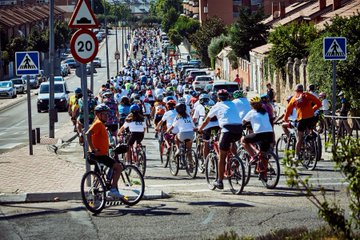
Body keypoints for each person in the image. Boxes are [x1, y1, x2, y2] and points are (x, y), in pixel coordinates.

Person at [199, 89, 243, 190]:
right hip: (238, 130)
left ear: (218, 98)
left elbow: (206, 120)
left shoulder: (217, 105)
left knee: (221, 157)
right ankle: (235, 161)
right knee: (232, 143)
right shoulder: (233, 104)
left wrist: (200, 129)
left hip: (226, 129)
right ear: (228, 97)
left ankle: (219, 181)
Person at [86, 104, 124, 199]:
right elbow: (88, 134)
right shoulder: (98, 123)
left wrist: (109, 145)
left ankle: (96, 191)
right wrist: (93, 148)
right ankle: (113, 190)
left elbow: (99, 139)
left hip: (98, 154)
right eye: (104, 114)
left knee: (99, 173)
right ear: (98, 114)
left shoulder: (100, 124)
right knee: (118, 167)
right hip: (100, 155)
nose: (106, 116)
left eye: (107, 114)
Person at [284, 84, 322, 161]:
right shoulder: (307, 95)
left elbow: (288, 110)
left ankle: (296, 156)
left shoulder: (294, 98)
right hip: (311, 118)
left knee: (299, 138)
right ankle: (311, 147)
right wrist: (312, 109)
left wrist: (285, 119)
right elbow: (319, 103)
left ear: (295, 91)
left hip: (302, 119)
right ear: (303, 89)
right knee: (309, 132)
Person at [241, 96, 274, 180]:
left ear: (252, 105)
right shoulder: (265, 112)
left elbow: (243, 122)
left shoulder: (251, 112)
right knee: (263, 154)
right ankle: (264, 174)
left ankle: (253, 156)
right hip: (269, 134)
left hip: (259, 134)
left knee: (243, 140)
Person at [193, 94, 219, 160]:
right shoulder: (213, 106)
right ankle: (214, 144)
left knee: (206, 143)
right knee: (213, 136)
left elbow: (194, 119)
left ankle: (205, 161)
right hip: (215, 126)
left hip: (205, 127)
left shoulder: (198, 107)